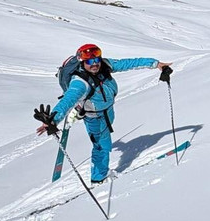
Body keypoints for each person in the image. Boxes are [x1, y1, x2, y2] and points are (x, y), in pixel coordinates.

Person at [34, 44, 171, 184]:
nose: (94, 64)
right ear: (82, 62)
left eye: (96, 60)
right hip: (95, 117)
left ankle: (79, 110)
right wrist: (53, 119)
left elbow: (129, 63)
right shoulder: (80, 83)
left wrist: (156, 64)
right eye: (89, 61)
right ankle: (98, 178)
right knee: (101, 146)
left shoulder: (105, 65)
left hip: (107, 110)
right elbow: (68, 99)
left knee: (104, 136)